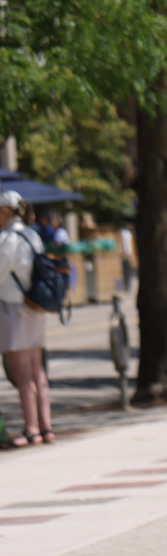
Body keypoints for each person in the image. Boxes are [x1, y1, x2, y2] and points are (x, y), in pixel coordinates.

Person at [0, 190, 54, 445]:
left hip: (14, 307)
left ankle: (31, 428)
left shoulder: (8, 239)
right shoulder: (33, 235)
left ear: (5, 212)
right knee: (37, 371)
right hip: (37, 306)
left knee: (21, 372)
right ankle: (46, 427)